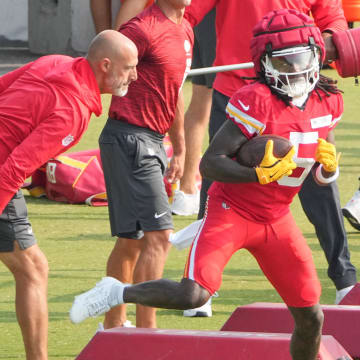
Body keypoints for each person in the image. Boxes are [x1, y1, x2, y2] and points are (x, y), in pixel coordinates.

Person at [70, 9, 345, 359]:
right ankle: (115, 293)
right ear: (264, 63)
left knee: (311, 316)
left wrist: (329, 169)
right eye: (285, 61)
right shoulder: (256, 99)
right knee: (193, 294)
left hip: (278, 218)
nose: (296, 69)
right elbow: (210, 163)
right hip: (233, 211)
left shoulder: (328, 100)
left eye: (302, 58)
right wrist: (255, 175)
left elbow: (319, 174)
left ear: (317, 54)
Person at [185, 0, 358, 304]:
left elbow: (332, 16)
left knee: (321, 187)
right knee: (217, 186)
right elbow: (187, 12)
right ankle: (200, 281)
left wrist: (326, 43)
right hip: (237, 90)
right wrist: (171, 40)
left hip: (298, 85)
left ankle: (344, 279)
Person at [0, 30, 138, 360]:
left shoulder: (55, 62)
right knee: (33, 270)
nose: (135, 75)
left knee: (33, 267)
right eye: (129, 67)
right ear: (105, 66)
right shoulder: (72, 113)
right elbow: (15, 168)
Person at [95, 0, 193, 329]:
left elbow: (173, 90)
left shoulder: (186, 29)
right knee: (158, 238)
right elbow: (98, 67)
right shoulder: (140, 29)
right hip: (129, 139)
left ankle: (113, 327)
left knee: (132, 241)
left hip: (150, 141)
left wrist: (179, 147)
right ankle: (146, 333)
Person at [170, 8, 216, 218]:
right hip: (214, 16)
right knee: (227, 100)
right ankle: (191, 190)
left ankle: (188, 189)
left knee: (202, 101)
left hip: (199, 14)